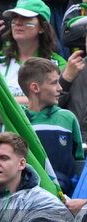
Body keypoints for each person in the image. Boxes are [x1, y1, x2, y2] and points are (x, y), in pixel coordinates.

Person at [0, 0, 71, 150]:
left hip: (40, 148)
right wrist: (35, 100)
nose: (17, 22)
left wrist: (3, 104)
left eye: (26, 18)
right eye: (14, 18)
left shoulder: (58, 64)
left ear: (41, 27)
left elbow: (54, 107)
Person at [19, 57, 82, 195]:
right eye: (54, 83)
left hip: (66, 198)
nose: (60, 88)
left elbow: (80, 163)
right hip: (28, 197)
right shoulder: (18, 120)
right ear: (35, 87)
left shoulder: (67, 118)